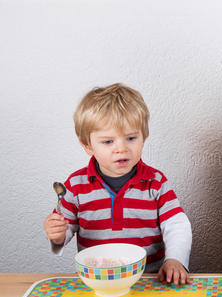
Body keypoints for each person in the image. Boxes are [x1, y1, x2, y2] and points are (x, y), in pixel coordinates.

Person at [44, 83, 192, 285]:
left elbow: (177, 225)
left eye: (131, 138)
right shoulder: (76, 186)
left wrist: (175, 259)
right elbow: (64, 230)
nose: (121, 149)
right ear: (87, 145)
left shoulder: (155, 183)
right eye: (108, 142)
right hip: (98, 281)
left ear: (143, 138)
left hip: (150, 280)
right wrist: (57, 234)